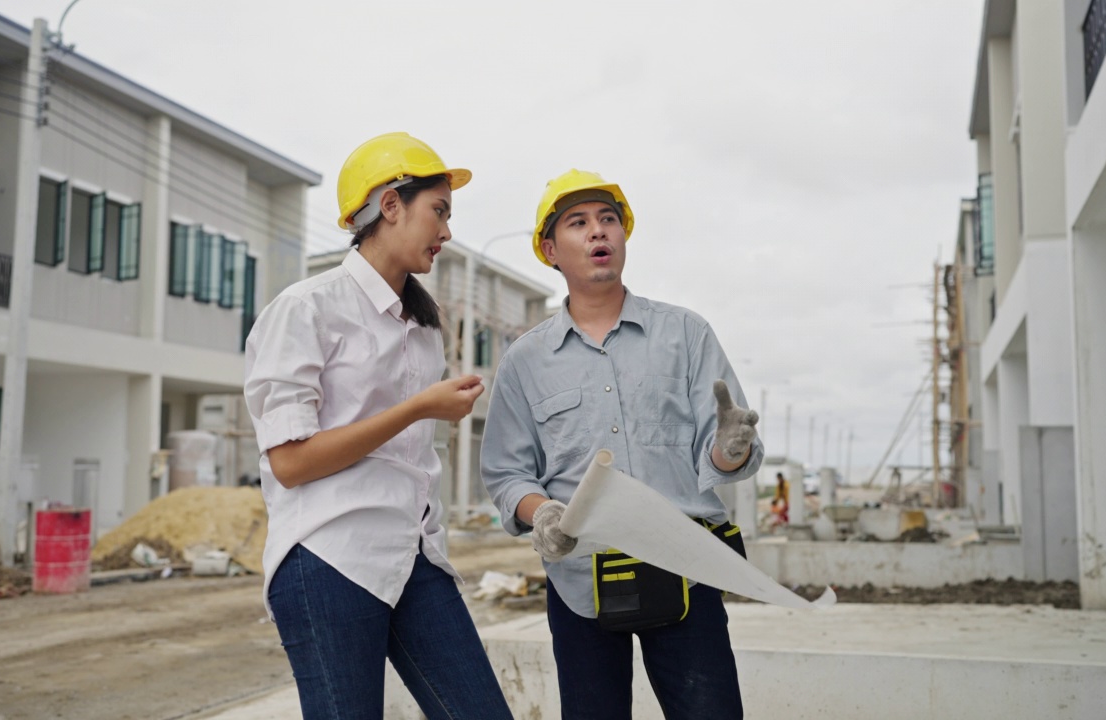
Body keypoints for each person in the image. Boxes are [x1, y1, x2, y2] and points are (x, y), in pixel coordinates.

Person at [244, 132, 512, 720]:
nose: (446, 231)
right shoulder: (307, 308)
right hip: (329, 557)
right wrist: (416, 407)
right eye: (438, 211)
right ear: (390, 205)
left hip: (414, 556)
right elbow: (290, 461)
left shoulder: (424, 327)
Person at [480, 169, 763, 719]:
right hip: (580, 581)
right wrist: (542, 514)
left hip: (684, 569)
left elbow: (722, 453)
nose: (597, 232)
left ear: (624, 237)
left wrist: (730, 448)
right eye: (578, 223)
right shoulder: (525, 361)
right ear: (549, 249)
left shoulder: (685, 334)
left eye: (608, 219)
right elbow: (506, 474)